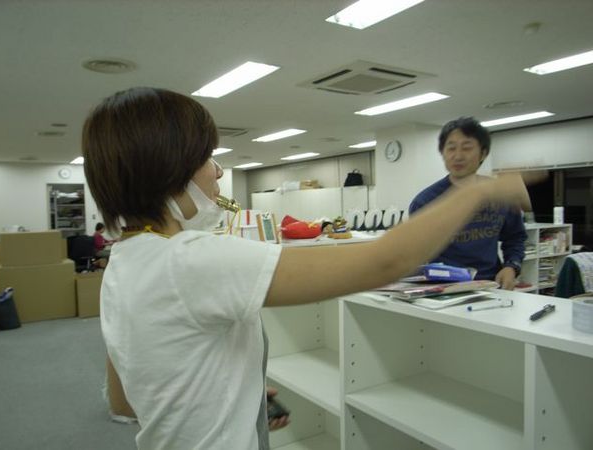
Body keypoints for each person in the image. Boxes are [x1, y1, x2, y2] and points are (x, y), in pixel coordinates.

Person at [82, 87, 536, 450]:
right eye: (207, 158)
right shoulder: (195, 258)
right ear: (169, 169)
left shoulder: (125, 260)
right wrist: (478, 191)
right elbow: (386, 261)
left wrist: (232, 388)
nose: (217, 173)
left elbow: (126, 400)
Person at [409, 116, 529, 289]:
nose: (458, 156)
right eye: (451, 148)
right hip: (443, 288)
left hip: (491, 284)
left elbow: (515, 237)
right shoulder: (425, 201)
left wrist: (511, 266)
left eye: (467, 148)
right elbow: (413, 252)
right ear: (442, 153)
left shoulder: (500, 195)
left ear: (483, 153)